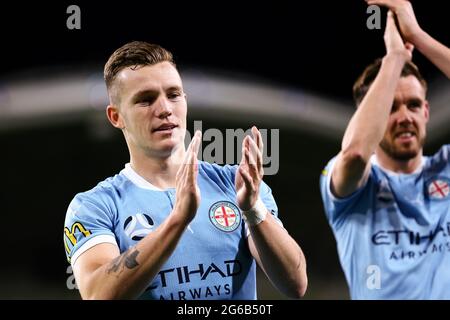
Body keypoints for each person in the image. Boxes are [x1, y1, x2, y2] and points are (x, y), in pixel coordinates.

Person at [63, 41, 307, 300]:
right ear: (116, 117)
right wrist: (178, 220)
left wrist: (252, 208)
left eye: (173, 94)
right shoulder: (95, 206)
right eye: (146, 100)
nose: (165, 109)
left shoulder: (237, 184)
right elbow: (97, 295)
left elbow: (296, 284)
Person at [320, 0, 450, 299]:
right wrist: (394, 58)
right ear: (373, 116)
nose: (405, 117)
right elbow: (355, 153)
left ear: (427, 112)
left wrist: (418, 36)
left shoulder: (445, 166)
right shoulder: (351, 182)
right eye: (391, 107)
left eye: (414, 105)